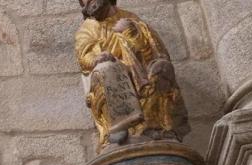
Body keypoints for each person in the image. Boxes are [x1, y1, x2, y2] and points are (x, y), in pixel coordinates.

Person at [74, 0, 189, 149]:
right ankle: (120, 127)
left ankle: (154, 128)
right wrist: (96, 59)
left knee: (161, 69)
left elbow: (149, 52)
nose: (91, 3)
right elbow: (84, 58)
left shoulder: (131, 19)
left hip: (139, 71)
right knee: (108, 68)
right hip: (111, 70)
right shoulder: (87, 29)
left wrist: (131, 32)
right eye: (86, 1)